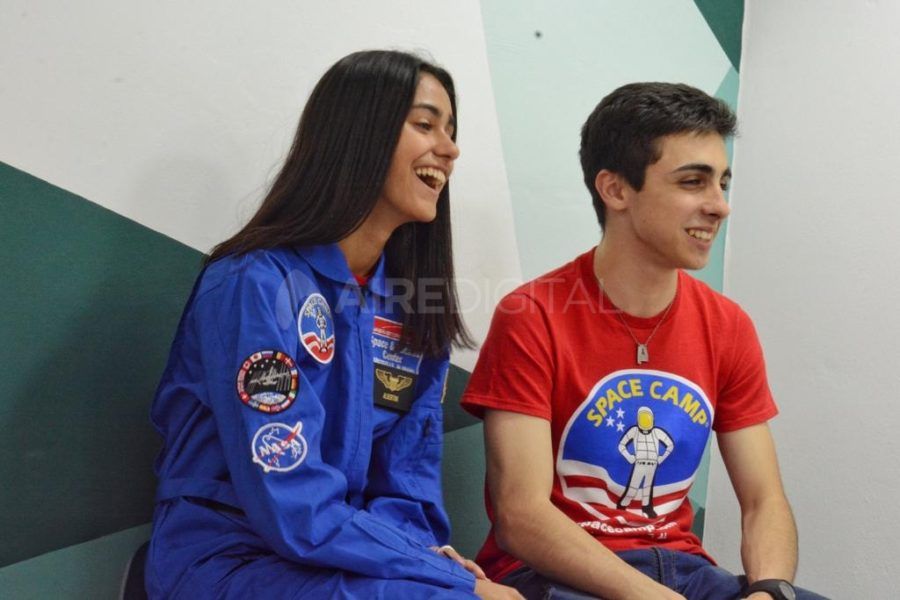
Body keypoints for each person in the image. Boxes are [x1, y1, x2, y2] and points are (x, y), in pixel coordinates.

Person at [146, 50, 522, 599]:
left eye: (451, 130)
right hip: (228, 557)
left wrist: (425, 562)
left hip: (344, 557)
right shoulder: (255, 283)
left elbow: (407, 484)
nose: (450, 148)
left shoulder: (415, 303)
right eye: (425, 125)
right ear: (359, 135)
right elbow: (290, 498)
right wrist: (441, 579)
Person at [460, 83, 827, 600]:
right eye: (693, 182)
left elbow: (764, 500)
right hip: (563, 578)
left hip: (688, 573)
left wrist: (768, 591)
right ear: (615, 190)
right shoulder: (532, 316)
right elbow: (522, 516)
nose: (719, 206)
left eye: (722, 183)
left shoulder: (728, 325)